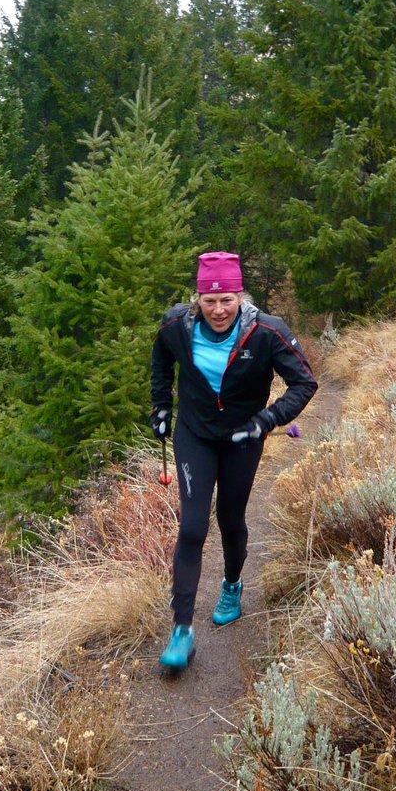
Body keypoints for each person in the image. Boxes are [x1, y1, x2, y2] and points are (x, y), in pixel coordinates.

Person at [150, 251, 318, 670]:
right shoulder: (177, 325)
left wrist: (268, 420)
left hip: (244, 436)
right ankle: (182, 630)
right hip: (195, 435)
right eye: (210, 301)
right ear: (198, 300)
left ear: (241, 296)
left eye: (228, 300)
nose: (219, 310)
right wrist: (160, 407)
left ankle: (231, 584)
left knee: (230, 518)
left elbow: (305, 382)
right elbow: (161, 358)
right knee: (192, 527)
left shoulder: (265, 332)